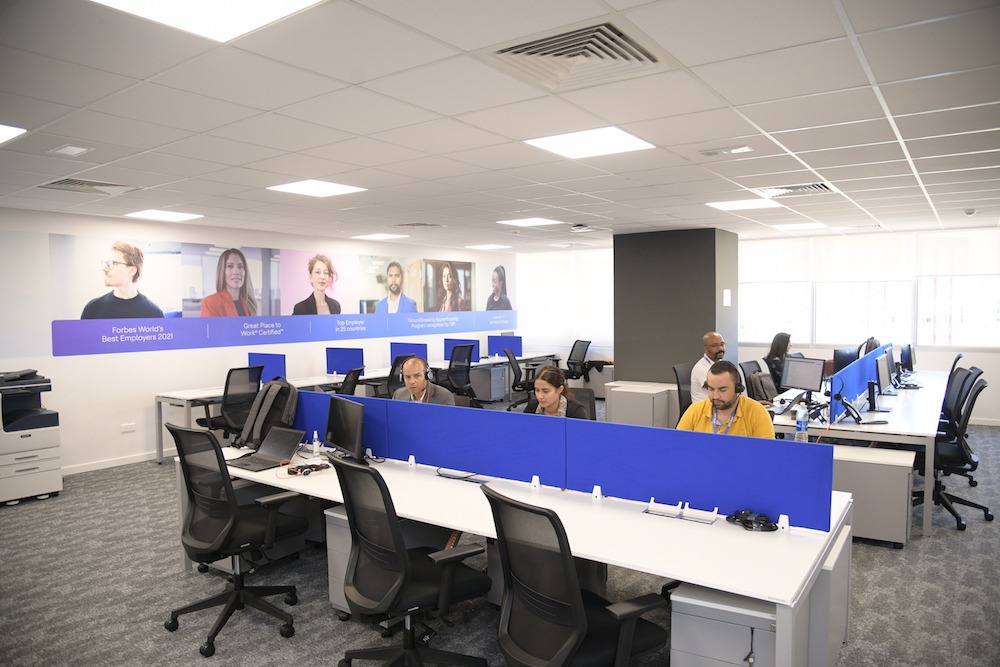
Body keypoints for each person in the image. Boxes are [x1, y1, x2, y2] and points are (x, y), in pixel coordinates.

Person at [677, 361, 775, 438]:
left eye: (722, 390)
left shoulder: (757, 413)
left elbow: (766, 453)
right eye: (711, 389)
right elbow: (677, 445)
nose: (715, 396)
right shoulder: (695, 410)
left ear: (738, 389)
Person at [81, 241, 164, 319]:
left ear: (132, 271)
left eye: (112, 263)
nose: (104, 268)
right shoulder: (92, 309)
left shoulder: (154, 313)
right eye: (106, 263)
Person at [201, 248, 258, 317]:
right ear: (222, 271)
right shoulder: (211, 302)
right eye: (230, 266)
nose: (236, 272)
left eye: (240, 267)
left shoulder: (249, 303)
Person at [523, 365, 589, 419]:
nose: (540, 396)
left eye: (545, 391)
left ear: (560, 389)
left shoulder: (575, 411)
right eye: (537, 390)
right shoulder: (533, 406)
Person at [690, 331, 727, 403]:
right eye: (715, 345)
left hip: (717, 404)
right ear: (706, 348)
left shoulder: (720, 364)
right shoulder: (701, 368)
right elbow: (719, 389)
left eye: (722, 344)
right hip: (704, 407)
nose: (720, 348)